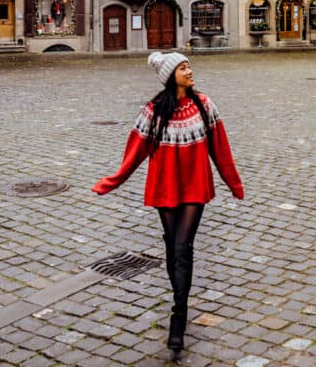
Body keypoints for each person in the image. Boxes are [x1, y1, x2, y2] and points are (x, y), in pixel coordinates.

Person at [92, 52, 244, 356]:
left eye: (189, 66)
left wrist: (233, 183)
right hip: (165, 188)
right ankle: (179, 305)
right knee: (172, 245)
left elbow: (221, 148)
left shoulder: (204, 105)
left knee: (182, 248)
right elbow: (135, 151)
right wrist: (113, 181)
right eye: (183, 68)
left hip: (194, 187)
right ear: (170, 75)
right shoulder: (154, 111)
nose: (190, 71)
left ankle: (178, 316)